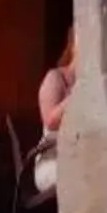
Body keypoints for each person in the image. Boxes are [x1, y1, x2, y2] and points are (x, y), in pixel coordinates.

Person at [28, 32, 74, 200]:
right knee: (83, 177)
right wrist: (79, 92)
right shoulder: (55, 77)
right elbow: (51, 121)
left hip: (82, 155)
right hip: (52, 160)